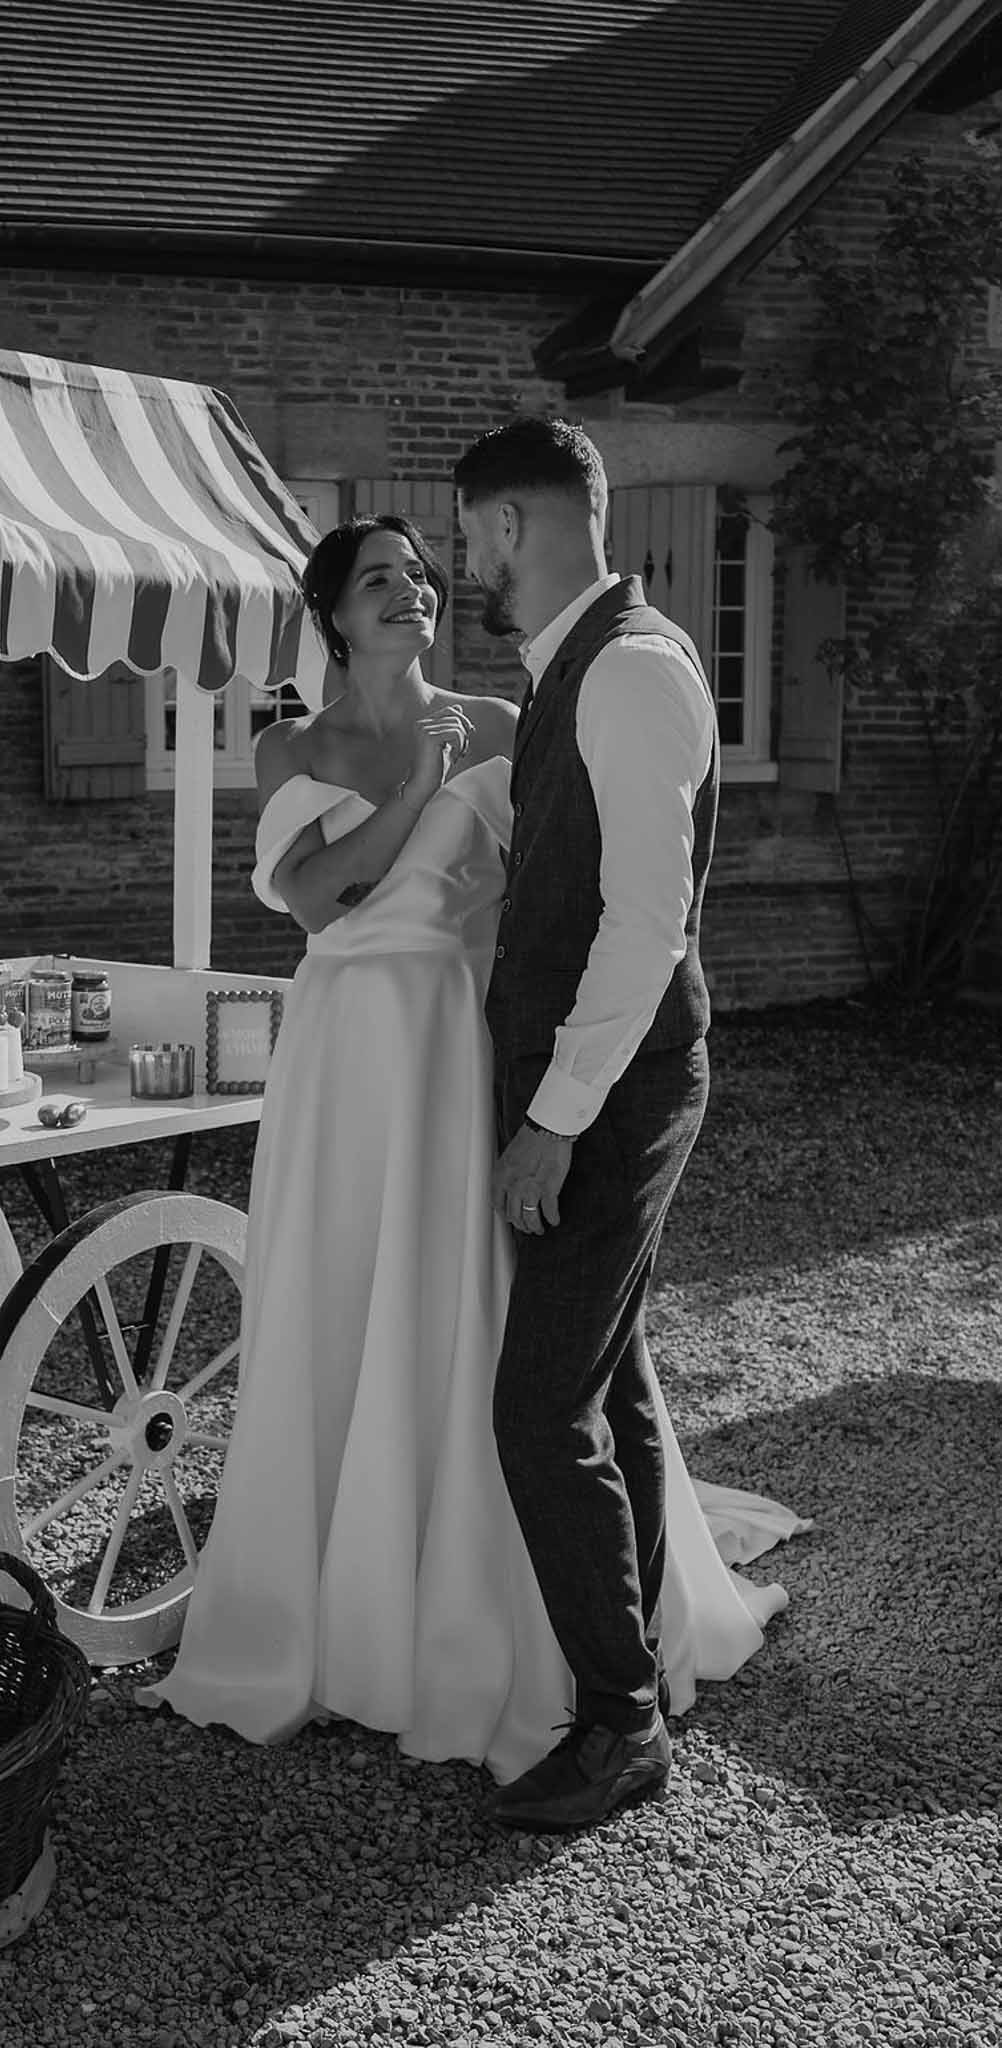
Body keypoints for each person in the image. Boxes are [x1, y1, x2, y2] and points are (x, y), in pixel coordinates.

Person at [143, 509, 805, 1790]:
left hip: (462, 1032)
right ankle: (336, 1601)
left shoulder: (506, 722)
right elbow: (316, 895)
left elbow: (571, 877)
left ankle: (516, 1604)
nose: (412, 592)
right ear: (332, 614)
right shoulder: (291, 742)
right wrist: (415, 785)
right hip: (345, 1043)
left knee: (476, 1296)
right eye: (379, 579)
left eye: (422, 575)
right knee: (345, 1290)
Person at [454, 414, 745, 1831]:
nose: (468, 565)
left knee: (535, 1408)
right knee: (606, 1379)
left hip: (612, 1094)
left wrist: (555, 1120)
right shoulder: (582, 665)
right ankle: (643, 1673)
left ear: (512, 524)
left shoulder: (627, 669)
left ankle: (620, 1725)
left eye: (469, 536)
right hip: (586, 1081)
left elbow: (643, 927)